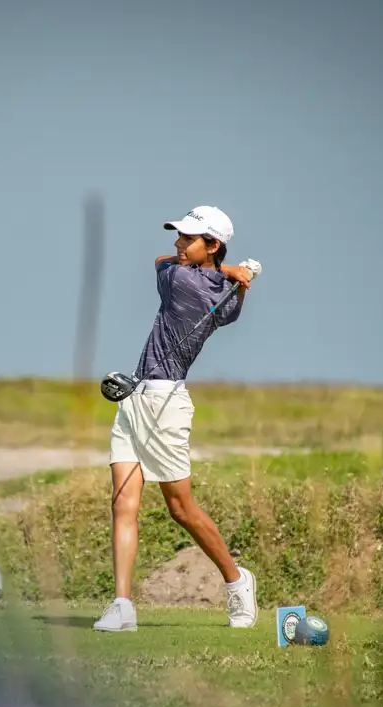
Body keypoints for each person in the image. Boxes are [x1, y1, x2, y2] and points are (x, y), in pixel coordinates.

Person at [93, 205, 259, 632]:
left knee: (181, 509)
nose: (177, 244)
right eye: (180, 236)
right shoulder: (218, 291)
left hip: (166, 405)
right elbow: (222, 299)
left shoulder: (182, 280)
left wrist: (228, 273)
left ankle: (237, 581)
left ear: (212, 244)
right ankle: (122, 605)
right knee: (122, 503)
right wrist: (232, 273)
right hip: (135, 397)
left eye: (187, 238)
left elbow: (162, 263)